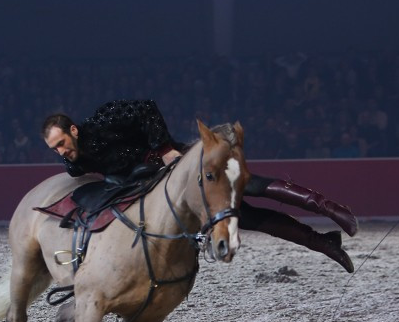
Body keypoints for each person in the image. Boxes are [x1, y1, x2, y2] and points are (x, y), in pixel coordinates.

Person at [42, 100, 359, 272]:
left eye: (61, 143)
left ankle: (332, 208)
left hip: (172, 161)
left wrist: (165, 148)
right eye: (54, 149)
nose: (60, 152)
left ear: (73, 129)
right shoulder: (73, 163)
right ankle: (324, 243)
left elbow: (147, 109)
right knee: (246, 218)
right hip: (155, 188)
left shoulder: (103, 119)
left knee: (248, 186)